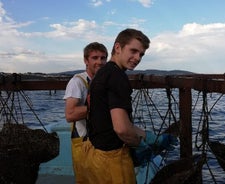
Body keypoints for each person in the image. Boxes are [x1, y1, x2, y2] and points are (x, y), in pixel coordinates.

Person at [84, 28, 177, 184]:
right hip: (113, 160)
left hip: (96, 157)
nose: (137, 58)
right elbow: (121, 128)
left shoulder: (102, 73)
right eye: (133, 51)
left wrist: (151, 137)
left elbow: (110, 119)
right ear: (118, 47)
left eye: (141, 54)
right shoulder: (117, 77)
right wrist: (141, 145)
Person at [63, 42, 108, 183]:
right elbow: (70, 114)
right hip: (84, 144)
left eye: (103, 58)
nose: (99, 62)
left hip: (102, 142)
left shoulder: (103, 81)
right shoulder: (77, 82)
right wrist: (103, 107)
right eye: (95, 58)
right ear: (85, 60)